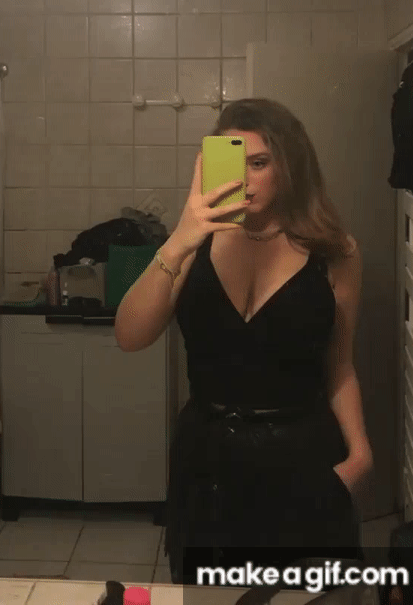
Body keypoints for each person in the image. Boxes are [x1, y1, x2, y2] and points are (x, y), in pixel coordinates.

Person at [114, 98, 374, 587]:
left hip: (301, 458)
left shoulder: (335, 252)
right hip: (208, 462)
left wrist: (360, 457)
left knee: (302, 595)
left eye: (259, 163)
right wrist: (182, 237)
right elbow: (129, 336)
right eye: (234, 163)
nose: (246, 180)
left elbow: (340, 365)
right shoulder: (194, 244)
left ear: (290, 165)